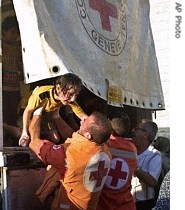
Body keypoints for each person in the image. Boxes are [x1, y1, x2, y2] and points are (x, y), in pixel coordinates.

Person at [28, 101, 112, 210]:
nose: (82, 120)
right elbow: (74, 139)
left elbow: (34, 143)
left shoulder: (68, 155)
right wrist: (57, 117)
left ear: (88, 135)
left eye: (85, 121)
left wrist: (37, 112)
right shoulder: (105, 150)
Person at [18, 73, 88, 146]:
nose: (73, 99)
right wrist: (24, 131)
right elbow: (27, 111)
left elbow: (83, 116)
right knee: (24, 137)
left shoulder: (68, 99)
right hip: (28, 112)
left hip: (46, 112)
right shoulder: (41, 95)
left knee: (55, 139)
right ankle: (6, 126)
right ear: (58, 88)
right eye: (70, 94)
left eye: (75, 95)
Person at [97, 114, 138, 210]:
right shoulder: (132, 148)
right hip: (126, 205)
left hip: (103, 206)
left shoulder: (103, 145)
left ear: (110, 129)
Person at [131, 119, 162, 210]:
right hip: (126, 201)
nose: (132, 130)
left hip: (143, 204)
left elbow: (152, 182)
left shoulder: (154, 155)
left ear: (145, 134)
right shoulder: (129, 149)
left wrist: (134, 167)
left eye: (136, 129)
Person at [2, 16, 24, 127]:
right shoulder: (1, 46)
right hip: (2, 89)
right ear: (4, 31)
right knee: (4, 114)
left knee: (14, 114)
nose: (15, 36)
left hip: (15, 88)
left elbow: (20, 64)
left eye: (17, 33)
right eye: (12, 32)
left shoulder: (17, 48)